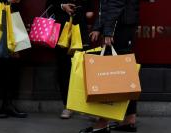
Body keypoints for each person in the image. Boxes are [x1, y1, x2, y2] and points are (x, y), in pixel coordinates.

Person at [79, 0, 139, 132]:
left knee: (109, 76)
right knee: (125, 73)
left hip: (119, 25)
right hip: (123, 23)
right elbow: (106, 4)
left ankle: (102, 124)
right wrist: (98, 27)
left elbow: (115, 4)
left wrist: (108, 31)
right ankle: (129, 119)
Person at [46, 0, 95, 119]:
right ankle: (68, 105)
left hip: (80, 30)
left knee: (83, 70)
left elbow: (90, 12)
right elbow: (49, 5)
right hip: (62, 31)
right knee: (64, 69)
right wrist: (63, 6)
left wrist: (81, 11)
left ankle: (86, 106)